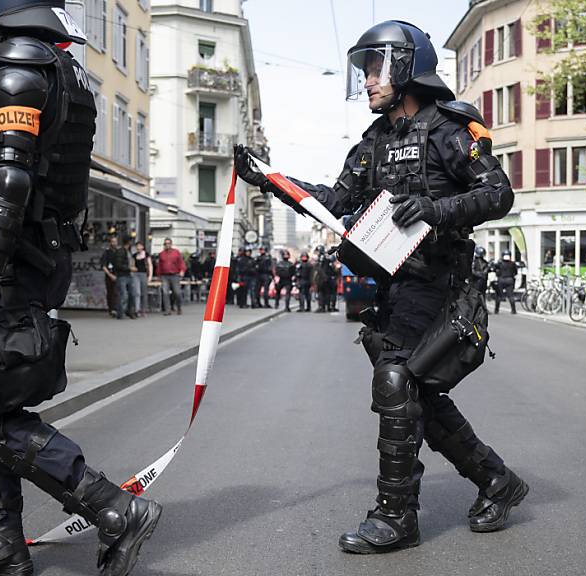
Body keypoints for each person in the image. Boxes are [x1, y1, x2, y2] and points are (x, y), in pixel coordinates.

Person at [235, 19, 524, 553]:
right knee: (417, 399)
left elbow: (498, 192)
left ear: (407, 67)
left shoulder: (450, 129)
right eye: (364, 71)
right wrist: (268, 178)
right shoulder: (372, 144)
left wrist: (438, 209)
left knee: (396, 383)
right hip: (395, 289)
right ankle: (496, 480)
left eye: (375, 68)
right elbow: (332, 199)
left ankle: (397, 515)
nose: (367, 80)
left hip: (443, 284)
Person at [0, 2, 161, 575]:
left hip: (10, 261)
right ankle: (3, 545)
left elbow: (9, 179)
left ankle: (113, 508)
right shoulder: (55, 67)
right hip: (27, 255)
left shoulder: (19, 67)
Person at [101, 236, 135, 319]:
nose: (114, 243)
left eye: (115, 241)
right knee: (113, 293)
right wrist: (110, 275)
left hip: (119, 274)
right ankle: (114, 310)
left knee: (120, 293)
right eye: (113, 241)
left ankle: (122, 310)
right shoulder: (108, 252)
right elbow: (104, 265)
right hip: (113, 274)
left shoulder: (120, 250)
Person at [157, 237, 185, 315]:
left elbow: (181, 262)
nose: (167, 245)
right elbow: (159, 265)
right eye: (166, 244)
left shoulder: (176, 252)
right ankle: (167, 310)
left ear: (171, 244)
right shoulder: (161, 254)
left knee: (177, 292)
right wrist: (158, 275)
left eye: (169, 243)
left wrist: (182, 270)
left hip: (175, 275)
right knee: (165, 293)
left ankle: (179, 308)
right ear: (164, 245)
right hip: (164, 276)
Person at [133, 242, 153, 314]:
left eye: (139, 246)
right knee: (137, 292)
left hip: (144, 274)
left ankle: (143, 309)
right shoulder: (134, 255)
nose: (138, 248)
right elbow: (133, 265)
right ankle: (137, 309)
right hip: (136, 274)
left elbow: (150, 265)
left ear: (142, 247)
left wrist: (150, 276)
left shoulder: (146, 255)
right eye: (137, 246)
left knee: (144, 292)